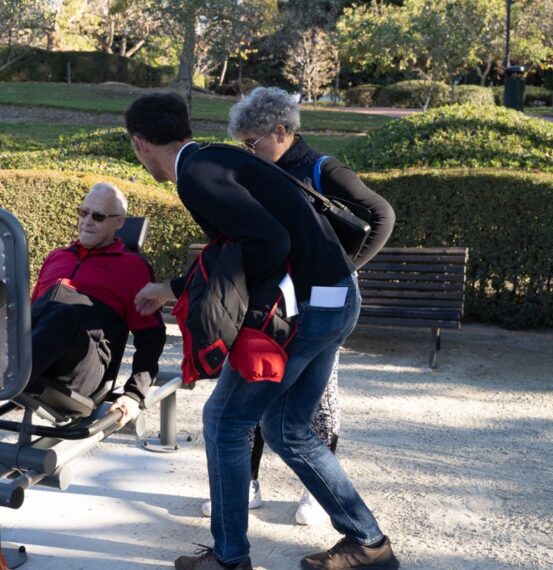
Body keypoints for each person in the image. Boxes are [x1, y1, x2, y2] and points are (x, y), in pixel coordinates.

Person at [124, 92, 398, 570]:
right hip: (336, 300)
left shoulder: (195, 174)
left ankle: (230, 559)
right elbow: (241, 247)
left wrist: (244, 309)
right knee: (287, 428)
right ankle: (368, 542)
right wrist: (172, 287)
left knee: (225, 421)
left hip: (312, 309)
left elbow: (268, 241)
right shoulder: (214, 160)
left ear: (140, 142)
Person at [197, 86, 396, 526]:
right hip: (280, 299)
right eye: (242, 144)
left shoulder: (321, 167)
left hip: (324, 298)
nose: (247, 151)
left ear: (282, 131)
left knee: (318, 398)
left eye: (253, 143)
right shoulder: (260, 171)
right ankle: (247, 481)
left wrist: (343, 269)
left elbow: (381, 214)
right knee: (253, 378)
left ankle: (313, 493)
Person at [28, 182, 166, 426]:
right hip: (44, 353)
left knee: (63, 315)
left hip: (84, 368)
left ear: (119, 222)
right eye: (83, 212)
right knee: (2, 307)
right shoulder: (57, 256)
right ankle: (0, 371)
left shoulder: (133, 268)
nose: (87, 221)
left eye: (99, 216)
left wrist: (134, 394)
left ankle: (7, 376)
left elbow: (151, 336)